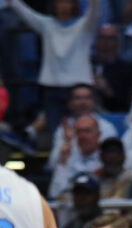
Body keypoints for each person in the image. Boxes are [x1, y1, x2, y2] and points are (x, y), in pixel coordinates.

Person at [9, 0, 102, 136]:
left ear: (74, 5)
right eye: (60, 2)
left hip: (79, 89)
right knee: (56, 133)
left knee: (82, 130)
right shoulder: (46, 25)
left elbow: (96, 11)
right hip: (52, 88)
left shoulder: (85, 26)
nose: (64, 6)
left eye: (68, 2)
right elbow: (21, 9)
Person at [49, 115, 103, 199]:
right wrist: (63, 162)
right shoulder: (67, 157)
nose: (82, 136)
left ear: (98, 134)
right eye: (79, 132)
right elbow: (55, 193)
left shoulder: (108, 158)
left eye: (87, 131)